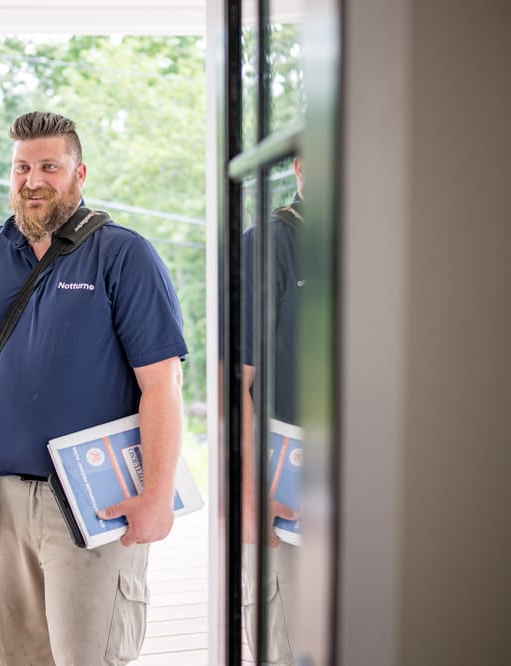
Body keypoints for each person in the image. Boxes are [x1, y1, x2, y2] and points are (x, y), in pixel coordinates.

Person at [0, 111, 188, 665]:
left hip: (92, 500)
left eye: (49, 166)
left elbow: (163, 384)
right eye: (22, 167)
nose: (33, 180)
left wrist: (157, 497)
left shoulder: (123, 254)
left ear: (79, 173)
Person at [241, 156, 306, 665]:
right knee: (290, 646)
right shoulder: (268, 243)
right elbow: (232, 385)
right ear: (302, 165)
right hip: (290, 489)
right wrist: (250, 492)